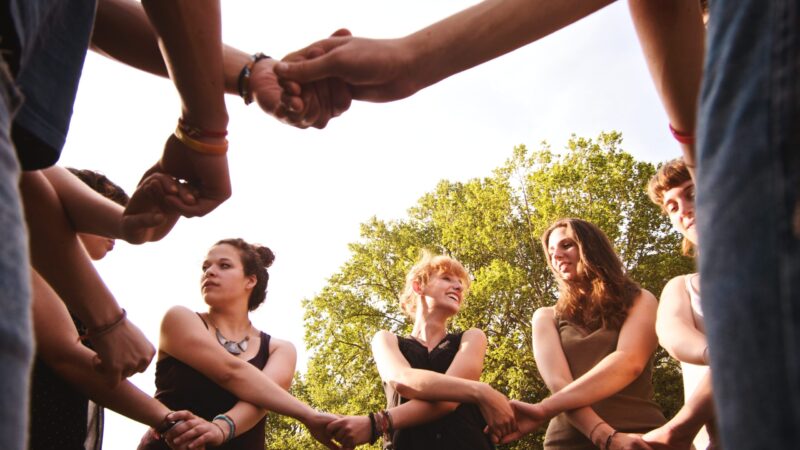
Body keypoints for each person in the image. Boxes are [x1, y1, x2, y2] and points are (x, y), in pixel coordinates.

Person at [137, 238, 342, 450]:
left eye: (224, 265)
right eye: (205, 267)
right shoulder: (179, 319)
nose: (209, 272)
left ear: (250, 281)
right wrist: (309, 415)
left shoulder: (280, 349)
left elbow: (262, 399)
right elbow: (230, 372)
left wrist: (221, 428)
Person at [324, 252, 516, 449]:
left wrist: (377, 423)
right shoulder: (386, 339)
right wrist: (481, 391)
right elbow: (403, 380)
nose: (458, 287)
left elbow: (447, 402)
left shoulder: (472, 338)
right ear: (419, 286)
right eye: (446, 278)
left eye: (460, 283)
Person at [502, 218, 665, 449]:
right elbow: (560, 384)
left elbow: (629, 363)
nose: (556, 256)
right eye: (551, 252)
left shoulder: (640, 300)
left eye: (566, 245)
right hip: (569, 442)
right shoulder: (546, 317)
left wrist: (543, 409)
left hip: (641, 436)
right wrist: (604, 435)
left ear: (592, 248)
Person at [636, 158, 718, 450]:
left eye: (691, 193)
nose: (682, 209)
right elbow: (673, 334)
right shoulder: (681, 286)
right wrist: (721, 357)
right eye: (671, 206)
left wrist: (679, 429)